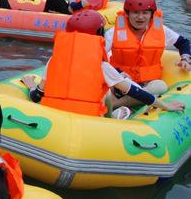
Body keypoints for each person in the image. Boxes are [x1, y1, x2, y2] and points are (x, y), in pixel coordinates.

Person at [22, 10, 186, 119]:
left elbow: (37, 96)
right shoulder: (102, 66)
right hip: (91, 123)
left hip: (55, 118)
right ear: (99, 34)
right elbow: (138, 93)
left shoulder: (54, 60)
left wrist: (31, 86)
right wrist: (165, 105)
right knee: (106, 92)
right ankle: (113, 118)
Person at [105, 0, 191, 108]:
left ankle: (116, 105)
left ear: (151, 15)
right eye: (135, 12)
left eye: (145, 13)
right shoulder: (113, 33)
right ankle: (128, 102)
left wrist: (185, 58)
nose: (140, 17)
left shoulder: (161, 30)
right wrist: (117, 72)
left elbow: (183, 42)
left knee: (161, 86)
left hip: (148, 83)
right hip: (121, 82)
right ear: (127, 14)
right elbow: (100, 58)